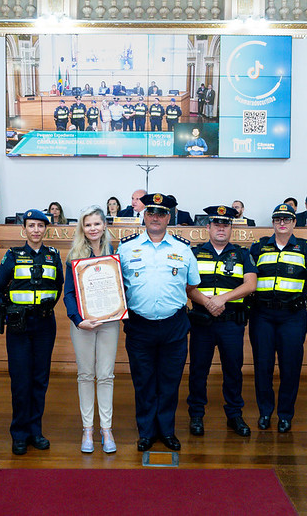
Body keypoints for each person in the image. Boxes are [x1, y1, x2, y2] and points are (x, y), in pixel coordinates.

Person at [117, 192, 200, 451]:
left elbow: (192, 285)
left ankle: (166, 430)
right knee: (143, 381)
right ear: (144, 215)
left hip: (174, 325)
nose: (155, 217)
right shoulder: (126, 248)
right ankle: (146, 432)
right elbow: (117, 285)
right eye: (151, 212)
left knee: (169, 381)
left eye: (161, 213)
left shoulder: (183, 249)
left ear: (169, 217)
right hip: (139, 325)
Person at [0, 209, 64, 455]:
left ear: (46, 229)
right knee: (21, 380)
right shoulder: (13, 255)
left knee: (39, 379)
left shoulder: (53, 256)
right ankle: (19, 433)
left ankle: (36, 431)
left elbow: (58, 287)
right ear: (24, 229)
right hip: (19, 327)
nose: (36, 230)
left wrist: (43, 308)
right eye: (31, 226)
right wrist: (11, 311)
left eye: (40, 226)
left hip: (44, 325)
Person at [248, 203, 307, 433]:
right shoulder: (258, 247)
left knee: (290, 366)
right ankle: (265, 412)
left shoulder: (305, 248)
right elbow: (248, 276)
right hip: (262, 314)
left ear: (294, 223)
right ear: (273, 223)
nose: (282, 223)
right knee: (263, 365)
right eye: (278, 219)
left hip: (292, 315)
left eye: (287, 219)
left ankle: (285, 414)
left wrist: (298, 294)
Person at [186, 206, 257, 438]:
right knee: (198, 370)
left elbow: (250, 284)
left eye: (225, 225)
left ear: (231, 229)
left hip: (231, 323)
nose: (221, 228)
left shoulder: (242, 254)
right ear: (208, 227)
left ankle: (234, 414)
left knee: (233, 370)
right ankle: (196, 415)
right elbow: (187, 286)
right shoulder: (194, 253)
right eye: (216, 224)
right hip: (202, 323)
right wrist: (208, 303)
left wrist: (222, 299)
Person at [63, 206, 120, 453]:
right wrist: (78, 320)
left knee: (106, 375)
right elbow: (68, 294)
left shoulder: (115, 253)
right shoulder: (73, 255)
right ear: (82, 228)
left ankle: (106, 429)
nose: (93, 228)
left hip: (109, 322)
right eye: (88, 225)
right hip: (83, 324)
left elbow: (121, 288)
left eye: (97, 223)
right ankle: (87, 429)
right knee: (86, 375)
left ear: (104, 225)